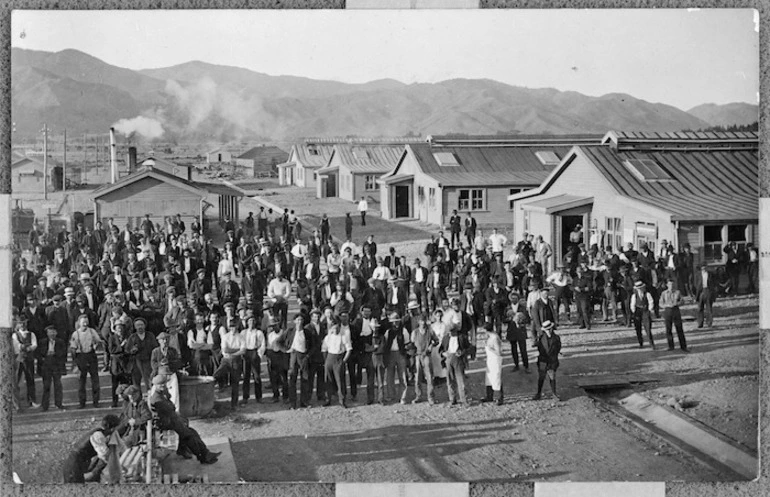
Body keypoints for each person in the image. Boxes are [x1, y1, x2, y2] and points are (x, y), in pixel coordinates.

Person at [148, 375, 220, 464]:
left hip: (169, 419)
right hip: (165, 423)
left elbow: (171, 407)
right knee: (189, 434)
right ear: (155, 385)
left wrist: (167, 395)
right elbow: (171, 408)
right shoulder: (157, 399)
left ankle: (202, 453)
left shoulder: (161, 394)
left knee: (190, 431)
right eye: (160, 385)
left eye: (164, 384)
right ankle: (203, 457)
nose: (163, 386)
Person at [62, 414, 121, 483]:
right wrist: (95, 471)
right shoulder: (98, 436)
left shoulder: (99, 433)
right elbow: (104, 455)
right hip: (74, 466)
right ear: (112, 428)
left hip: (78, 464)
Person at [70, 314, 104, 408]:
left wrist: (96, 345)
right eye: (83, 322)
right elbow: (73, 348)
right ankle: (82, 402)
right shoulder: (75, 334)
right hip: (81, 356)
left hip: (91, 356)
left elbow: (99, 341)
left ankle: (96, 401)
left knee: (95, 380)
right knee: (81, 381)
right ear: (79, 323)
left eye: (86, 321)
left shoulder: (92, 331)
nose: (85, 323)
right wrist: (75, 362)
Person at [281, 313, 313, 409]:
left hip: (303, 356)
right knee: (292, 379)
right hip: (293, 356)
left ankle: (304, 401)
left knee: (305, 379)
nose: (299, 322)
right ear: (294, 321)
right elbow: (279, 342)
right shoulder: (290, 331)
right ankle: (292, 403)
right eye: (298, 320)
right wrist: (286, 350)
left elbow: (313, 345)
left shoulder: (307, 332)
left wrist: (308, 355)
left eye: (301, 320)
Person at [214, 321, 245, 409]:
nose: (233, 329)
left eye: (234, 327)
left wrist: (233, 352)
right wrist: (237, 350)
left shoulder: (241, 337)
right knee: (216, 375)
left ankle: (234, 404)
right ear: (229, 328)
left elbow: (243, 350)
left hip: (236, 360)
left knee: (235, 383)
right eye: (231, 327)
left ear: (237, 327)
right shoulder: (225, 336)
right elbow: (225, 350)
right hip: (226, 360)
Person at [410, 313, 439, 405]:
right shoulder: (415, 332)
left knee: (429, 376)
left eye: (424, 321)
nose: (423, 323)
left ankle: (430, 396)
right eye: (421, 321)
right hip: (418, 356)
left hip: (427, 355)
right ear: (418, 322)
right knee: (417, 376)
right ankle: (418, 395)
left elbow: (436, 340)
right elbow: (411, 344)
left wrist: (431, 346)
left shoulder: (430, 331)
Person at [322, 323, 353, 407]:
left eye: (337, 328)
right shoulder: (327, 338)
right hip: (329, 357)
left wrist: (344, 360)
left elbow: (349, 349)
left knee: (340, 380)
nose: (335, 330)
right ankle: (328, 399)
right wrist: (326, 360)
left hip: (338, 358)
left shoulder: (343, 337)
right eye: (333, 328)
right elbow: (324, 349)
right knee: (328, 379)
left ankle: (342, 400)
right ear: (331, 329)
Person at [439, 321, 470, 406]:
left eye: (453, 331)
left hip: (458, 358)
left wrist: (462, 352)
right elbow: (441, 350)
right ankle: (452, 399)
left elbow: (469, 348)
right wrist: (443, 353)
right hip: (448, 358)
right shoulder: (446, 338)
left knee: (461, 380)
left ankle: (464, 399)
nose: (451, 333)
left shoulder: (462, 337)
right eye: (450, 331)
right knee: (450, 380)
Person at [151, 332, 182, 411]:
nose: (165, 341)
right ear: (159, 341)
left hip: (170, 374)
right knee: (156, 391)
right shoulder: (155, 351)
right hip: (160, 375)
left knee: (174, 393)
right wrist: (160, 364)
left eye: (166, 339)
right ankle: (156, 409)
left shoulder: (173, 351)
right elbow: (152, 363)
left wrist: (169, 363)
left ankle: (175, 411)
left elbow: (178, 362)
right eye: (162, 340)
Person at [38, 325, 67, 411]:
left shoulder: (60, 342)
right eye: (50, 332)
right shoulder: (42, 342)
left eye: (53, 332)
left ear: (56, 333)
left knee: (58, 385)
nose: (52, 334)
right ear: (47, 333)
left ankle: (59, 404)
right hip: (46, 366)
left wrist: (55, 353)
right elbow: (38, 354)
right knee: (46, 386)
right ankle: (45, 406)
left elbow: (63, 353)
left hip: (56, 365)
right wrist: (45, 355)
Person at [13, 317, 38, 409]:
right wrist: (23, 347)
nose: (22, 325)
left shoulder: (31, 334)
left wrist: (29, 348)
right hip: (19, 359)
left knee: (30, 379)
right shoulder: (15, 335)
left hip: (29, 359)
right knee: (16, 380)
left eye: (24, 323)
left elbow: (35, 344)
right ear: (17, 324)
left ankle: (31, 400)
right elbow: (16, 345)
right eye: (20, 323)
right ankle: (16, 403)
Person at [532, 320, 561, 401]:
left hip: (552, 361)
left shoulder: (556, 338)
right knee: (541, 378)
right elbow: (539, 349)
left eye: (549, 329)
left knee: (552, 377)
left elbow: (558, 348)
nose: (548, 331)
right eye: (546, 330)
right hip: (543, 361)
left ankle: (554, 394)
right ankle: (538, 393)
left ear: (551, 329)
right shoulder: (541, 338)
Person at [240, 316, 265, 405]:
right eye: (249, 321)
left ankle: (259, 397)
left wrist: (259, 355)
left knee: (257, 376)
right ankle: (245, 397)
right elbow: (241, 343)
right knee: (246, 376)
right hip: (246, 352)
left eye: (253, 321)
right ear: (247, 322)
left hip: (254, 352)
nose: (251, 323)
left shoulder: (258, 332)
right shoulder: (243, 332)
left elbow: (262, 344)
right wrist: (242, 353)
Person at [660, 278, 689, 352]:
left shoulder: (677, 292)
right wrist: (666, 305)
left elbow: (682, 301)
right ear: (667, 285)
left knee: (679, 328)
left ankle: (683, 346)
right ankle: (671, 346)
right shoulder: (664, 293)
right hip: (667, 311)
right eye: (669, 284)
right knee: (668, 329)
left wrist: (677, 303)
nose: (671, 286)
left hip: (676, 310)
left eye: (672, 284)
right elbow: (660, 303)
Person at [482, 321, 504, 405]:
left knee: (496, 377)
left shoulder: (495, 338)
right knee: (489, 377)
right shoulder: (489, 337)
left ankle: (499, 398)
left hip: (495, 360)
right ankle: (489, 396)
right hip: (490, 360)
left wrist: (489, 348)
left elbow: (499, 352)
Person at [630, 281, 656, 349]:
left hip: (645, 311)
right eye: (638, 288)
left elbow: (651, 302)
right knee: (638, 328)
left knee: (647, 328)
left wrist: (649, 310)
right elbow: (632, 304)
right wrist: (634, 312)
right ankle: (640, 343)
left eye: (641, 288)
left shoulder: (647, 294)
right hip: (638, 311)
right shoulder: (634, 296)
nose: (640, 289)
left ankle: (651, 344)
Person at [694, 262, 717, 328]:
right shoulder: (698, 275)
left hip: (708, 291)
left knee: (709, 308)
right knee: (700, 308)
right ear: (701, 269)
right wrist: (696, 295)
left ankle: (709, 323)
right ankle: (700, 323)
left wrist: (714, 294)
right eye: (703, 268)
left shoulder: (711, 274)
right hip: (701, 291)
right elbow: (696, 285)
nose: (704, 269)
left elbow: (714, 285)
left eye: (705, 267)